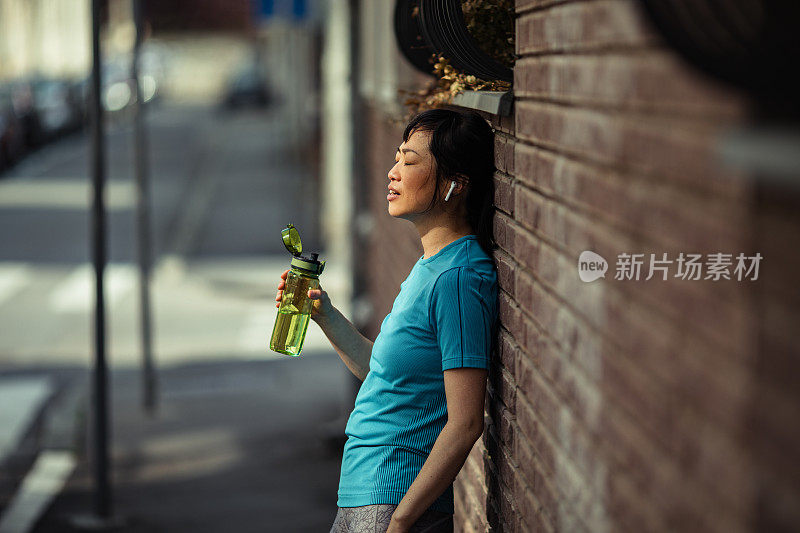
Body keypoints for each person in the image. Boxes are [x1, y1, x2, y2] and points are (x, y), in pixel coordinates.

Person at [275, 109, 499, 533]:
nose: (392, 173)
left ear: (455, 184)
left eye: (409, 162)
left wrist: (400, 521)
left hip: (391, 499)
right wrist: (325, 316)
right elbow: (385, 374)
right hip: (366, 494)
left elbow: (466, 420)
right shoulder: (432, 266)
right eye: (396, 159)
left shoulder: (458, 277)